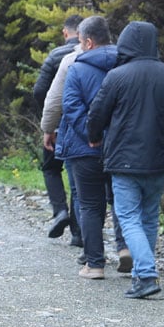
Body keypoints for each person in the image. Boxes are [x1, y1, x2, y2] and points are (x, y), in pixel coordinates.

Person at [87, 21, 164, 299]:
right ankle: (139, 276)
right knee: (149, 218)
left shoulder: (117, 76)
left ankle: (145, 274)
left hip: (124, 161)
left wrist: (93, 135)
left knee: (129, 217)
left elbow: (97, 113)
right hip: (158, 161)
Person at [54, 16, 116, 280]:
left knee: (91, 206)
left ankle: (95, 263)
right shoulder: (125, 64)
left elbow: (71, 108)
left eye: (79, 41)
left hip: (84, 148)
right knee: (122, 202)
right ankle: (126, 251)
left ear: (88, 42)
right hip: (118, 147)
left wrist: (91, 135)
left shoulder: (77, 68)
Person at [31, 14, 82, 245]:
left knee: (51, 169)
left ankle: (60, 210)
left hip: (57, 126)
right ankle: (79, 233)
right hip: (82, 127)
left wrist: (48, 122)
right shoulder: (91, 54)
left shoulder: (55, 56)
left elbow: (39, 91)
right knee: (79, 180)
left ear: (65, 33)